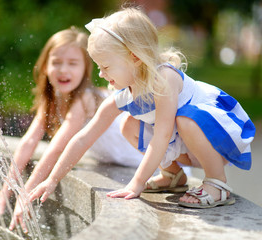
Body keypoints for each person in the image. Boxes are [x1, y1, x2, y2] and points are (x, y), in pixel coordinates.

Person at [28, 7, 255, 209]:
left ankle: (217, 183)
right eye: (98, 66)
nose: (100, 74)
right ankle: (173, 175)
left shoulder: (164, 79)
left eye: (105, 66)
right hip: (189, 143)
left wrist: (136, 183)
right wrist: (53, 178)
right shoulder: (125, 94)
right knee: (128, 125)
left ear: (135, 58)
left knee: (185, 119)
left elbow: (162, 136)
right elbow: (83, 137)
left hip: (216, 135)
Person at [0, 26, 144, 230]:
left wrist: (26, 195)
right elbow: (29, 142)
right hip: (118, 160)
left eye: (73, 64)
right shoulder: (52, 99)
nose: (63, 70)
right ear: (45, 66)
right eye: (56, 62)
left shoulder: (84, 99)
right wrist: (4, 192)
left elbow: (57, 148)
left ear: (86, 69)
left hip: (140, 159)